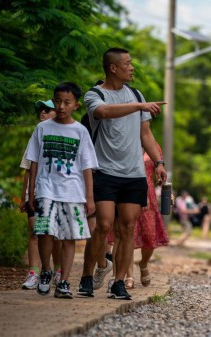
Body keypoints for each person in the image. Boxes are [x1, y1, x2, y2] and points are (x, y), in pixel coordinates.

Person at [79, 47, 167, 300]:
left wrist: (159, 162)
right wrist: (139, 105)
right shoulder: (95, 95)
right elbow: (104, 113)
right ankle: (86, 277)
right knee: (104, 225)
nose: (132, 67)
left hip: (134, 174)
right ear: (113, 68)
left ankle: (118, 282)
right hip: (104, 171)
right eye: (127, 63)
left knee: (127, 228)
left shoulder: (136, 94)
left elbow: (145, 134)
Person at [26, 82, 98, 298]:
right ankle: (46, 270)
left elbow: (87, 166)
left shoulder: (80, 131)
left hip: (73, 191)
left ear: (76, 105)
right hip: (46, 188)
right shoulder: (42, 128)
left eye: (67, 102)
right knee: (45, 231)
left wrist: (90, 197)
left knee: (68, 237)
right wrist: (31, 192)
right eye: (57, 101)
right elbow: (33, 162)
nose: (61, 106)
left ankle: (64, 281)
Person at [19, 99, 63, 290]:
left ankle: (59, 271)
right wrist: (25, 196)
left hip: (60, 193)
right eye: (42, 110)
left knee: (55, 235)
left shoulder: (70, 133)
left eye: (47, 110)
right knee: (35, 231)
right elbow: (28, 168)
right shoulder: (37, 134)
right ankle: (34, 272)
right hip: (37, 192)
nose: (42, 113)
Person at [123, 144, 169, 289]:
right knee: (127, 233)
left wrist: (166, 188)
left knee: (150, 236)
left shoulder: (154, 146)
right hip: (129, 190)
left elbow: (159, 173)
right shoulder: (127, 141)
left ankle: (143, 263)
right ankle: (129, 276)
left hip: (149, 196)